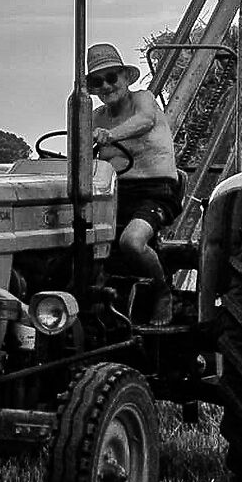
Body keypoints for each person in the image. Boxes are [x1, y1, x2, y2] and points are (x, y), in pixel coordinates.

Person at [79, 43, 182, 321]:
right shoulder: (95, 118)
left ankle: (163, 290)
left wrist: (110, 136)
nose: (106, 86)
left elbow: (145, 121)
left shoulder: (143, 100)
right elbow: (82, 154)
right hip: (112, 196)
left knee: (132, 242)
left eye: (112, 77)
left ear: (125, 77)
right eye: (98, 82)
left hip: (155, 190)